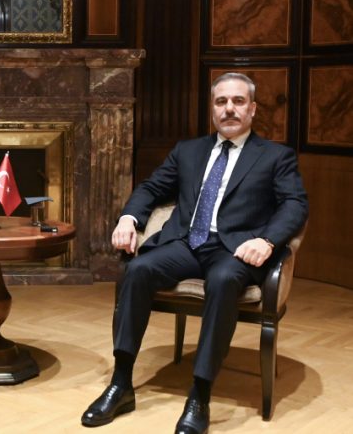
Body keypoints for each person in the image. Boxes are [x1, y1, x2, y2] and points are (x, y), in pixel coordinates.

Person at [80, 73, 308, 433]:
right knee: (137, 270)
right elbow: (151, 188)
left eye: (238, 101)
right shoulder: (188, 151)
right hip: (186, 243)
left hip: (234, 249)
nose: (229, 109)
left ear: (252, 109)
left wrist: (266, 241)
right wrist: (128, 218)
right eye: (221, 101)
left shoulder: (276, 156)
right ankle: (121, 384)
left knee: (223, 280)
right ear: (212, 109)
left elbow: (294, 205)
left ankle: (200, 394)